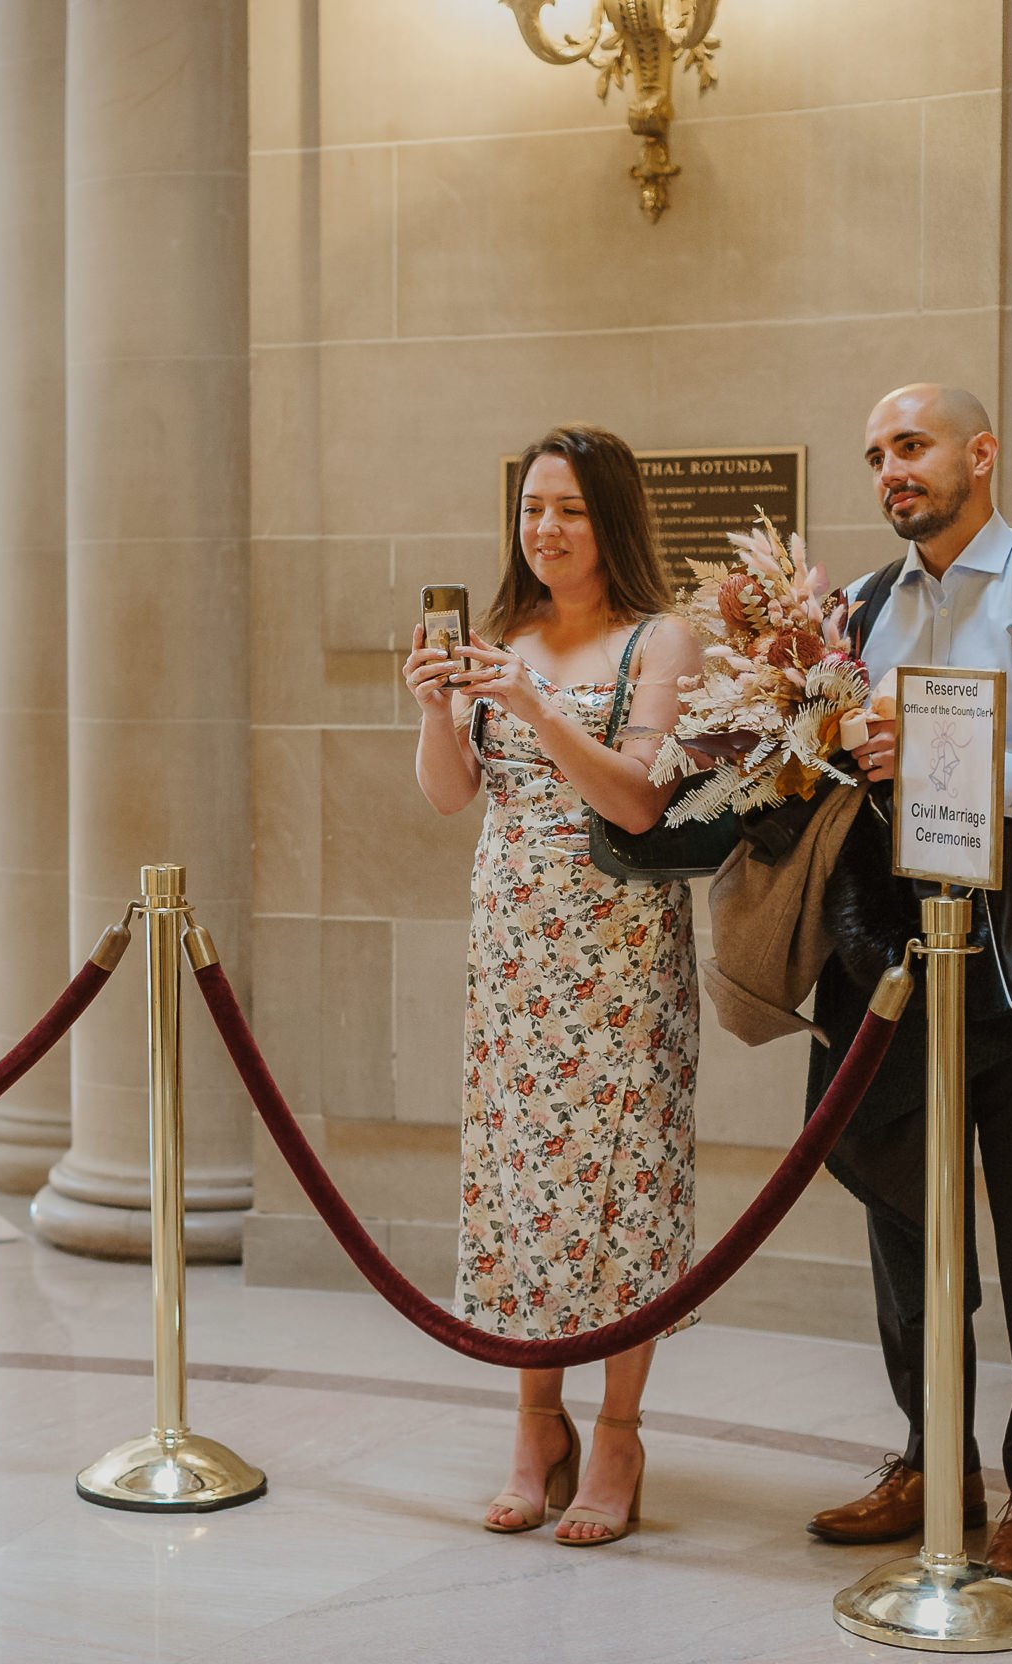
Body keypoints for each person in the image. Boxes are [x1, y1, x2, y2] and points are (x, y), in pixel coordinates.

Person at [802, 384, 1012, 1586]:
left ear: (980, 454)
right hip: (895, 958)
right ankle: (928, 1459)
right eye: (875, 453)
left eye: (912, 445)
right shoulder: (854, 609)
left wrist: (955, 754)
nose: (890, 468)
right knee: (903, 1216)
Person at [404, 424, 702, 1547]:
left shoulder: (656, 638)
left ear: (609, 517)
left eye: (569, 508)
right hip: (513, 949)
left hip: (619, 948)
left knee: (618, 1188)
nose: (545, 529)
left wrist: (533, 707)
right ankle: (535, 1422)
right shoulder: (501, 632)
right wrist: (439, 707)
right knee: (518, 1183)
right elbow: (448, 797)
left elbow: (637, 803)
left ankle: (617, 1430)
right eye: (532, 508)